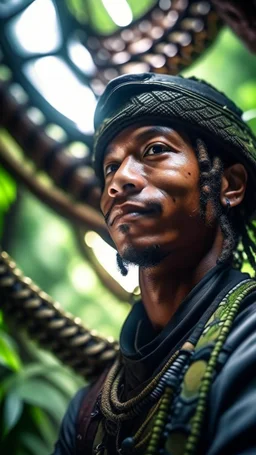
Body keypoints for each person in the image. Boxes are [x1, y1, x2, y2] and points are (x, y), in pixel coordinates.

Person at [52, 73, 256, 455]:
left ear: (229, 184)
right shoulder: (85, 411)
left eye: (154, 150)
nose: (119, 181)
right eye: (110, 168)